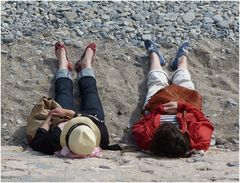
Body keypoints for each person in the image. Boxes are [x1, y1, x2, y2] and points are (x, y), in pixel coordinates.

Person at [132, 39, 214, 158]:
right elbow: (202, 119)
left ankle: (155, 56)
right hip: (186, 105)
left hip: (157, 106)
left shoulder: (146, 140)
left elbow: (140, 123)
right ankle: (181, 59)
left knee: (156, 82)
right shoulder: (200, 140)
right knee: (184, 80)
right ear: (182, 135)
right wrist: (182, 106)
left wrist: (159, 109)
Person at [30, 41, 109, 156]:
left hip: (65, 120)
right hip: (90, 117)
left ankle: (63, 64)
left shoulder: (55, 139)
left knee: (63, 92)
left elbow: (38, 140)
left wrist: (51, 116)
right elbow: (96, 121)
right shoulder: (102, 137)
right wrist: (71, 113)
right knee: (91, 91)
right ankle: (85, 65)